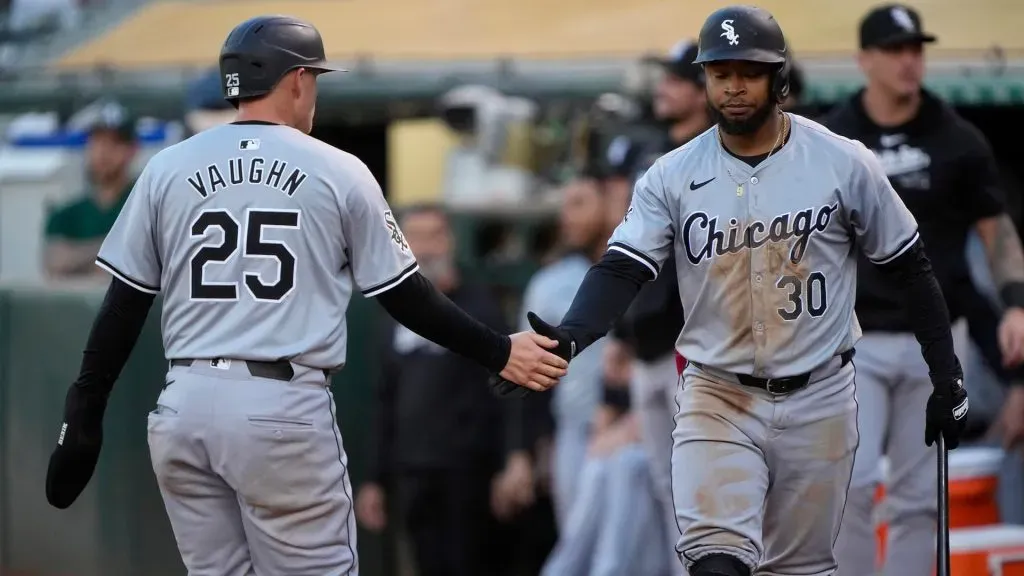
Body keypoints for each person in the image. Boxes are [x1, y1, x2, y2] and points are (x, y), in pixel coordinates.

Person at [41, 15, 568, 576]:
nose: (314, 88)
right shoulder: (337, 169)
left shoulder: (167, 167)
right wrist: (499, 350)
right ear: (294, 80)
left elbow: (123, 305)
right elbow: (406, 296)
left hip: (183, 409)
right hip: (280, 409)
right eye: (312, 76)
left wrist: (84, 413)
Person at [495, 5, 971, 575]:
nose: (734, 87)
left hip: (821, 394)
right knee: (716, 562)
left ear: (779, 78)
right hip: (717, 395)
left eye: (749, 72)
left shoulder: (844, 162)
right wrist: (572, 337)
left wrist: (946, 377)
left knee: (798, 568)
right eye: (720, 74)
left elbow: (910, 267)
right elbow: (623, 268)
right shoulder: (671, 174)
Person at [821, 5, 1024, 575]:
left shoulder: (957, 137)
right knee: (850, 491)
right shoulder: (835, 136)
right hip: (852, 342)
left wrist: (1016, 305)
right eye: (895, 50)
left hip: (935, 340)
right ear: (864, 60)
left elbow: (997, 231)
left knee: (919, 498)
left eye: (916, 49)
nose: (909, 61)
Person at [353, 203, 510, 576]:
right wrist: (375, 479)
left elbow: (507, 391)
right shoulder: (393, 315)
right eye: (413, 238)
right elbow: (385, 399)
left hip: (468, 472)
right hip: (412, 471)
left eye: (432, 237)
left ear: (450, 241)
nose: (423, 248)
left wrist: (510, 461)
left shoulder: (481, 307)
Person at [612, 43, 711, 571]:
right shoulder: (650, 154)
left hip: (693, 346)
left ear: (703, 90)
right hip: (647, 343)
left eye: (675, 81)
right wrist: (622, 337)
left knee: (701, 491)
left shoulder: (718, 152)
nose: (663, 89)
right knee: (665, 489)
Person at [44, 101, 138, 280]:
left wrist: (80, 256)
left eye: (115, 143)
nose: (104, 151)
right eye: (97, 141)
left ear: (132, 150)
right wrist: (121, 246)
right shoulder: (66, 214)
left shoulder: (146, 207)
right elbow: (55, 263)